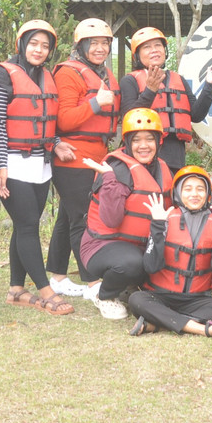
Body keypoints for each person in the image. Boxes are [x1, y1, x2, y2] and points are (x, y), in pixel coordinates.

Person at [0, 19, 75, 316]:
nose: (39, 50)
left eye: (45, 46)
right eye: (34, 44)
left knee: (24, 224)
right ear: (22, 44)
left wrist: (56, 142)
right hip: (11, 162)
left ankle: (15, 289)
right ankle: (45, 290)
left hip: (41, 163)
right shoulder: (3, 74)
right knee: (27, 225)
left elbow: (44, 118)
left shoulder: (45, 76)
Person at [127, 166, 212, 341]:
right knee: (136, 299)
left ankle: (157, 323)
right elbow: (151, 266)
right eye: (188, 188)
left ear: (207, 194)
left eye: (200, 189)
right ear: (178, 193)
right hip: (161, 295)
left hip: (196, 300)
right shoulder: (165, 219)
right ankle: (202, 329)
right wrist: (157, 225)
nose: (194, 194)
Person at [46, 18, 121, 298]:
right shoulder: (68, 73)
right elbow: (62, 120)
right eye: (94, 43)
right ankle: (92, 282)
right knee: (82, 219)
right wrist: (95, 103)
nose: (100, 48)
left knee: (67, 217)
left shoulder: (105, 75)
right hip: (73, 156)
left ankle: (58, 276)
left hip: (99, 154)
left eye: (105, 43)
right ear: (81, 45)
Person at [80, 109, 174, 320]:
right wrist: (110, 181)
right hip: (102, 245)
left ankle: (129, 286)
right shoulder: (119, 169)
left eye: (150, 139)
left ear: (159, 141)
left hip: (140, 244)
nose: (143, 146)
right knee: (133, 263)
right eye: (137, 140)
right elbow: (111, 220)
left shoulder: (161, 167)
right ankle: (102, 295)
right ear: (128, 142)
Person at [118, 26, 212, 173]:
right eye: (147, 47)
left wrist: (209, 85)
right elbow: (128, 118)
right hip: (144, 156)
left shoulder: (178, 79)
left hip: (176, 157)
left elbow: (196, 115)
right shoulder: (129, 81)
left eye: (158, 45)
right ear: (137, 55)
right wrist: (150, 90)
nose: (154, 50)